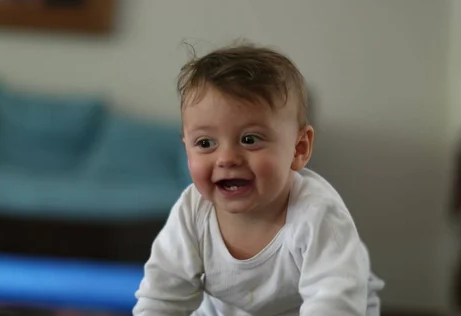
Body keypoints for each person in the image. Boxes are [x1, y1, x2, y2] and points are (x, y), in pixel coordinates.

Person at [133, 41, 384, 316]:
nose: (227, 158)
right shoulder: (192, 212)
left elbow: (335, 301)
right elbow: (161, 296)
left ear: (299, 149)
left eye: (249, 139)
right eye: (205, 143)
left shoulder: (317, 214)